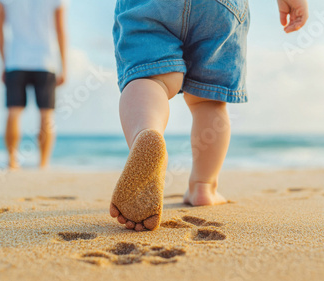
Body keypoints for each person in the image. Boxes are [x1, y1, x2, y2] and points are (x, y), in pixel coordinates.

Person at [109, 0, 309, 231]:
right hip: (222, 7)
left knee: (152, 78)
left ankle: (147, 132)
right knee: (208, 100)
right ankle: (203, 187)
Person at [0, 0, 67, 169]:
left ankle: (12, 161)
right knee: (47, 114)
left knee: (14, 111)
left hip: (16, 60)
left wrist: (4, 62)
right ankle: (43, 164)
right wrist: (64, 66)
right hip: (45, 61)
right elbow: (61, 30)